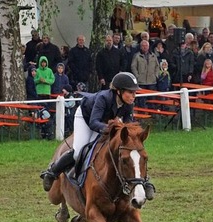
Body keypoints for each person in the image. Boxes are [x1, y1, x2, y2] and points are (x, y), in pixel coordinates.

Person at [40, 72, 155, 200]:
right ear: (119, 91)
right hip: (86, 118)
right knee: (79, 151)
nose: (134, 96)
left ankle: (144, 181)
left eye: (134, 92)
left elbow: (128, 125)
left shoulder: (128, 104)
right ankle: (52, 172)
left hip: (105, 122)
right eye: (131, 92)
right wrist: (110, 129)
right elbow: (94, 122)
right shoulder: (103, 98)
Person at [131, 39, 160, 106]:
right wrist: (137, 76)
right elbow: (133, 67)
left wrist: (156, 75)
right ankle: (142, 113)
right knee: (141, 99)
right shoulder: (137, 56)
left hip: (152, 81)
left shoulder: (153, 56)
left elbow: (157, 66)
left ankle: (151, 114)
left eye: (146, 45)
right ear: (140, 47)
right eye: (143, 45)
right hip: (141, 81)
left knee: (151, 99)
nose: (145, 47)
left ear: (148, 46)